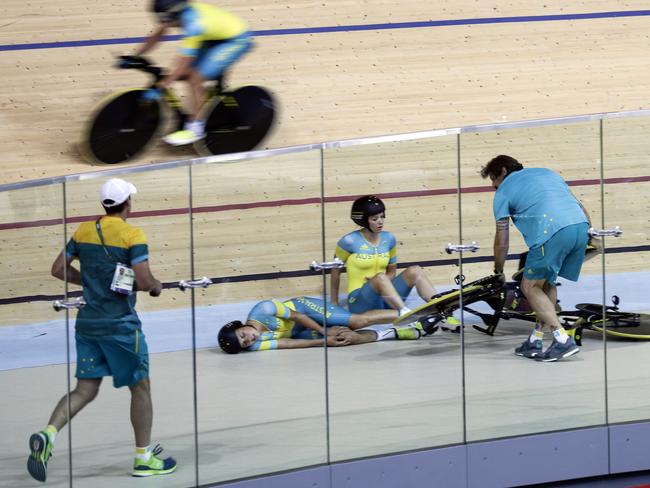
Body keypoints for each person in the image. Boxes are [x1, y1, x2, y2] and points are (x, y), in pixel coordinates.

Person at [27, 178, 176, 482]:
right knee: (141, 387)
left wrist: (89, 283)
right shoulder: (132, 234)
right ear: (128, 204)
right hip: (120, 326)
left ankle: (48, 433)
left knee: (84, 389)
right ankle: (143, 459)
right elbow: (146, 282)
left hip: (87, 324)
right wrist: (157, 286)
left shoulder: (83, 230)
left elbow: (57, 269)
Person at [481, 155, 592, 362]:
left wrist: (498, 269)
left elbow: (502, 240)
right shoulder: (547, 173)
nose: (495, 189)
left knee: (529, 287)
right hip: (581, 227)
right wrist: (590, 234)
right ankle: (536, 339)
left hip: (551, 233)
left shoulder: (503, 192)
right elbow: (579, 205)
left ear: (503, 171)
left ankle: (561, 340)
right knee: (546, 285)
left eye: (494, 183)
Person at [126, 0, 253, 145]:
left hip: (235, 40)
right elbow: (158, 34)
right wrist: (135, 56)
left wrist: (163, 85)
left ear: (175, 14)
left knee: (194, 77)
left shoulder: (193, 25)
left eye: (165, 18)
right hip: (214, 36)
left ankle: (196, 129)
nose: (162, 22)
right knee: (182, 74)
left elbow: (182, 63)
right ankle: (202, 101)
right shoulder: (177, 14)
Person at [330, 195, 458, 327]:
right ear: (363, 220)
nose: (380, 222)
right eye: (375, 219)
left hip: (384, 296)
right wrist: (334, 303)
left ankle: (443, 311)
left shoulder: (389, 238)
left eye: (382, 216)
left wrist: (382, 284)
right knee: (380, 277)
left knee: (415, 270)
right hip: (359, 299)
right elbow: (335, 271)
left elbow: (391, 272)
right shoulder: (348, 241)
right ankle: (406, 316)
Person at [218, 295, 425, 353]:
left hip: (305, 311)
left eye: (243, 334)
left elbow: (298, 316)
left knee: (356, 321)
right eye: (244, 342)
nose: (249, 338)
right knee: (343, 338)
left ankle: (408, 314)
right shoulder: (254, 345)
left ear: (240, 325)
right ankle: (393, 333)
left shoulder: (262, 310)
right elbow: (288, 344)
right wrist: (325, 340)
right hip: (299, 332)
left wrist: (323, 331)